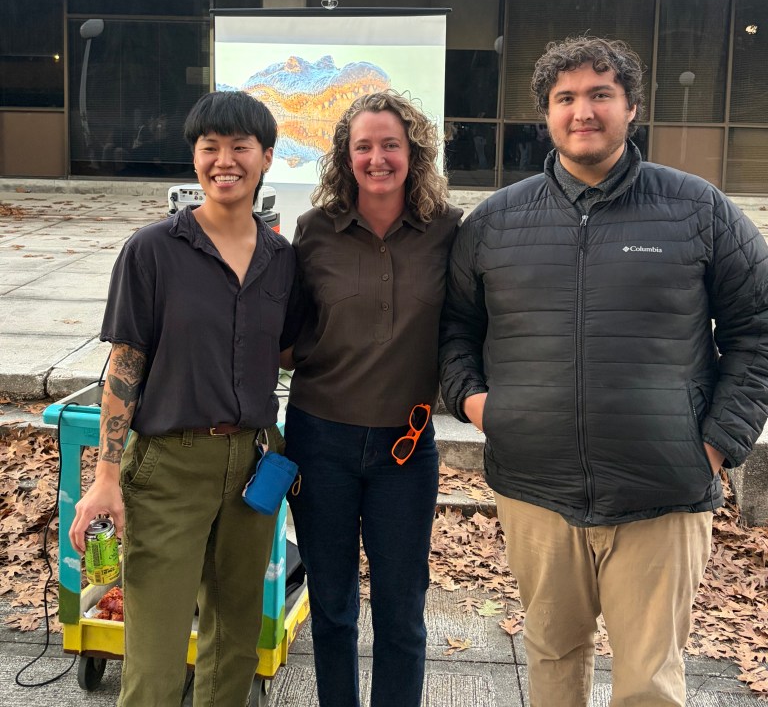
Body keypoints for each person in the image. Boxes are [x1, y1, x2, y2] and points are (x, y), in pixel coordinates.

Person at [439, 35, 768, 707]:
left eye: (599, 95)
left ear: (631, 108)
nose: (582, 110)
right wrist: (478, 406)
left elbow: (756, 331)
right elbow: (455, 332)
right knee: (554, 659)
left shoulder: (697, 209)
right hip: (536, 493)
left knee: (649, 682)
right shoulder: (496, 222)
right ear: (547, 115)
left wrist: (715, 445)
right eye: (566, 98)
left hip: (664, 491)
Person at [69, 90, 297, 707]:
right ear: (194, 159)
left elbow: (291, 353)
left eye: (240, 147)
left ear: (267, 157)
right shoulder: (153, 251)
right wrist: (106, 476)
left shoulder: (282, 261)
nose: (225, 161)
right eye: (210, 148)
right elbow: (125, 366)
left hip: (252, 466)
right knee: (156, 653)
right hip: (169, 466)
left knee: (234, 645)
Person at [283, 90, 462, 707]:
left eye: (392, 145)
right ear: (345, 156)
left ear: (415, 153)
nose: (378, 158)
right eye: (364, 146)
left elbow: (467, 326)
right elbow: (284, 332)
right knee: (332, 609)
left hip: (406, 449)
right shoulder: (314, 233)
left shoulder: (448, 232)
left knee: (402, 611)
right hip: (319, 440)